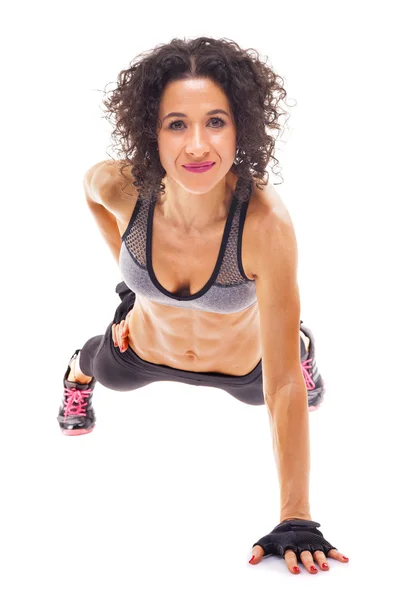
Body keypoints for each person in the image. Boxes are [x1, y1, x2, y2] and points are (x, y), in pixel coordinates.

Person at [57, 36, 349, 574]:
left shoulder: (264, 224)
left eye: (215, 121)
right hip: (144, 349)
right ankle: (75, 379)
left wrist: (296, 518)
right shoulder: (121, 187)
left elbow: (281, 383)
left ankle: (301, 343)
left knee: (285, 379)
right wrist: (129, 281)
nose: (196, 145)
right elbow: (90, 191)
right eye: (176, 124)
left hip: (246, 370)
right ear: (151, 130)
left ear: (242, 128)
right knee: (98, 364)